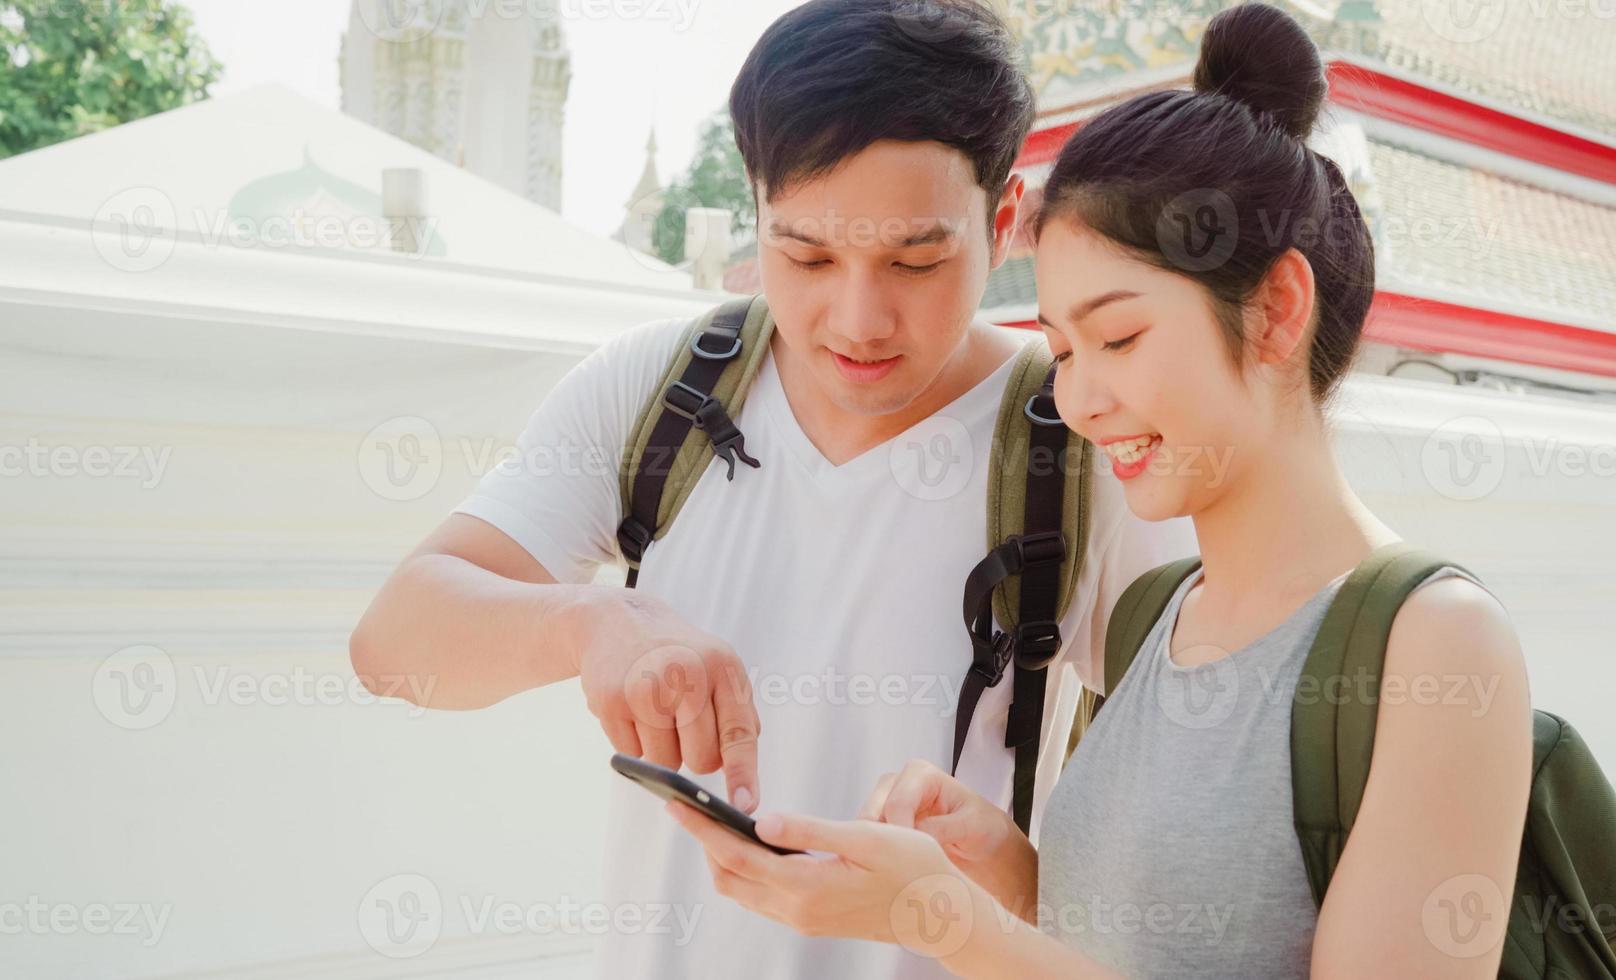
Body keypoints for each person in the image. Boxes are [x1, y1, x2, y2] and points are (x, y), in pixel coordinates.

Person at [665, 5, 1534, 978]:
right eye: (1061, 347)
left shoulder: (1434, 642)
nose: (1074, 400)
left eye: (1116, 339)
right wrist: (1002, 865)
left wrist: (950, 924)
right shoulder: (1155, 614)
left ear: (1276, 310)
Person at [347, 1, 1196, 976]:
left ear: (1003, 222)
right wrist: (589, 625)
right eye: (805, 255)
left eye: (915, 259)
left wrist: (981, 888)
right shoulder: (661, 389)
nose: (857, 318)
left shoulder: (1085, 447)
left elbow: (1197, 857)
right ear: (755, 208)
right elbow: (392, 643)